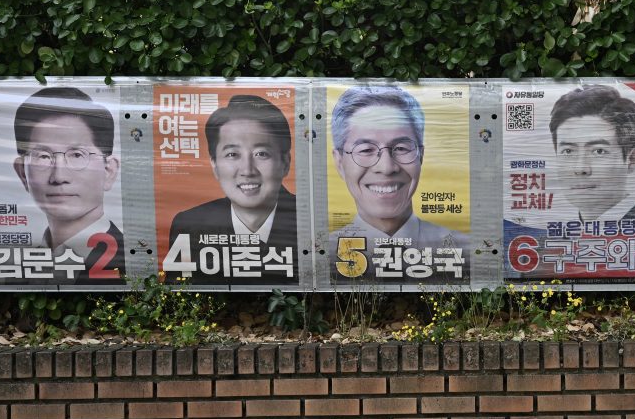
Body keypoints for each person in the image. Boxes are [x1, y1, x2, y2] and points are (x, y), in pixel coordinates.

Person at [330, 86, 467, 273]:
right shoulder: (324, 253)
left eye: (401, 148)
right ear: (339, 162)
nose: (386, 168)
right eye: (366, 150)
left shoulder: (464, 251)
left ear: (421, 156)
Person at [166, 95, 297, 284]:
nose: (247, 170)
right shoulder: (189, 225)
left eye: (261, 153)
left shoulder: (308, 222)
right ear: (215, 165)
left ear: (285, 162)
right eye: (232, 154)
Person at [10, 86, 124, 283]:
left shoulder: (130, 260)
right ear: (22, 174)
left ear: (108, 171)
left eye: (77, 155)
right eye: (43, 156)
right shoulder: (18, 269)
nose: (59, 176)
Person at [548, 84, 635, 227]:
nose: (580, 168)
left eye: (599, 151)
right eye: (568, 151)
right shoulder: (564, 234)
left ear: (631, 159)